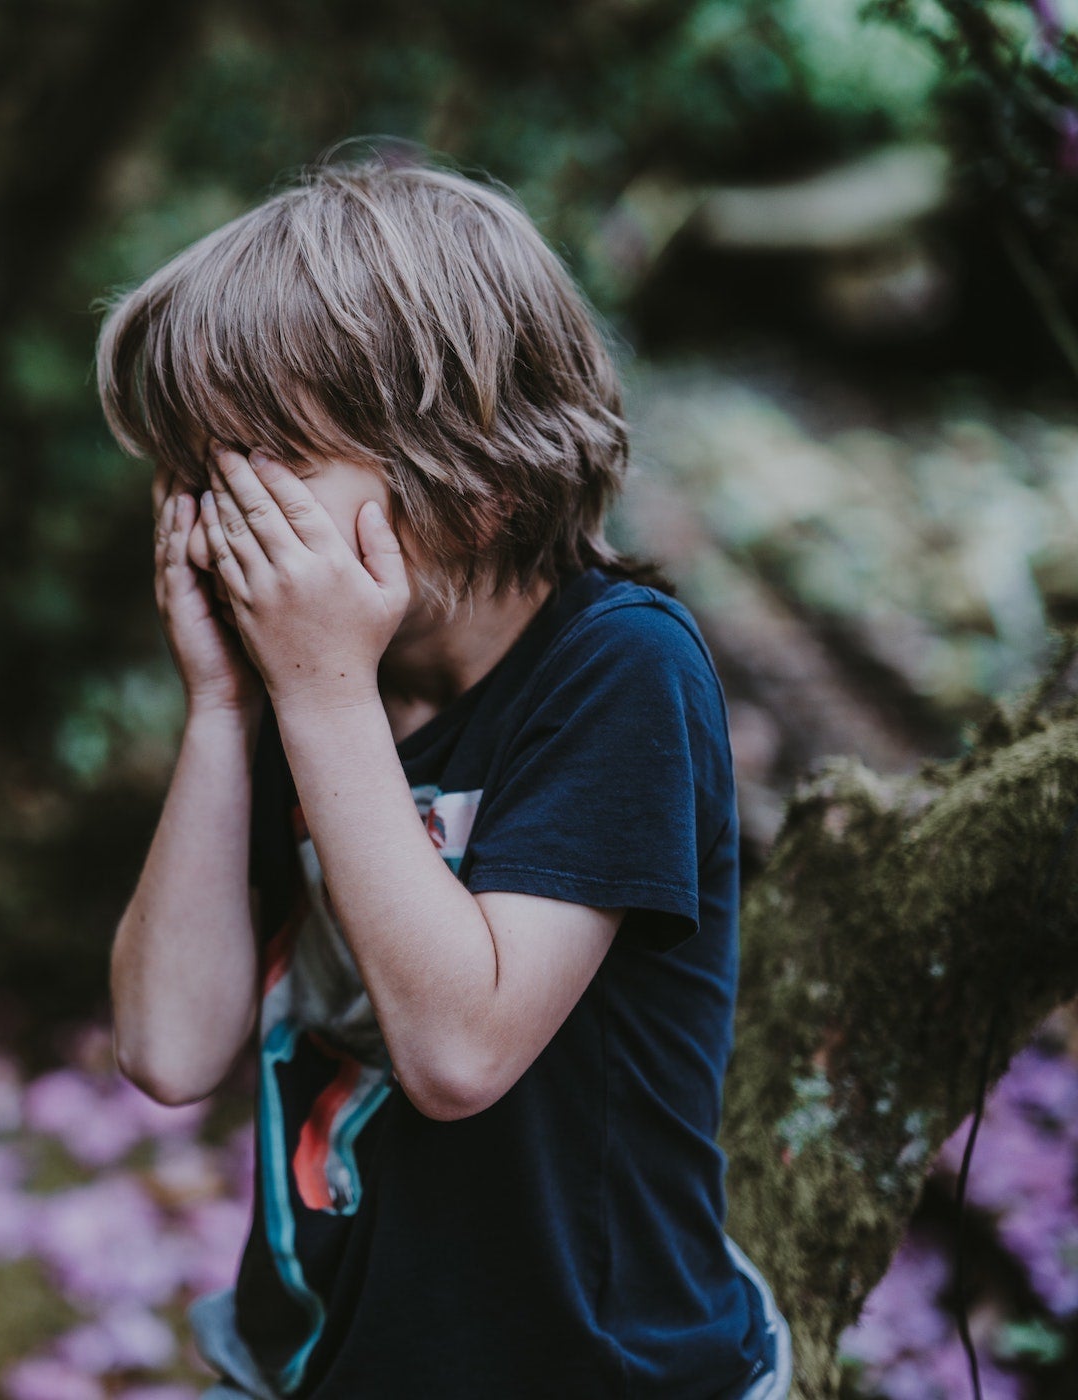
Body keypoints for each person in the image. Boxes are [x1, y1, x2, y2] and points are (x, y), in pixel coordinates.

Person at [94, 147, 794, 1399]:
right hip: (312, 1358)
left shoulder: (619, 669)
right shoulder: (300, 679)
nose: (227, 517)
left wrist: (316, 691)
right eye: (200, 472)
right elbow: (165, 1043)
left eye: (267, 468)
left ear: (468, 481)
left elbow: (460, 1052)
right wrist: (217, 706)